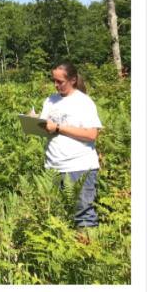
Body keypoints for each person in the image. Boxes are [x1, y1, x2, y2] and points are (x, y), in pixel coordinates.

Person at [33, 62, 103, 228]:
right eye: (53, 81)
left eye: (60, 82)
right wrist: (34, 121)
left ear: (72, 80)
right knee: (60, 214)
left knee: (83, 215)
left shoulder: (83, 102)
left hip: (79, 166)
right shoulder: (50, 100)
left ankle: (88, 250)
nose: (56, 85)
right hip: (54, 165)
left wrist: (58, 127)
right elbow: (46, 126)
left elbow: (91, 134)